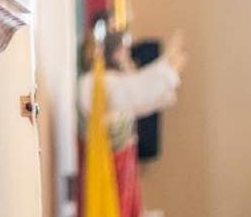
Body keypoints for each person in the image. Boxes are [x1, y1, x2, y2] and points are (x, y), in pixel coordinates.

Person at [77, 13, 186, 217]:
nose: (128, 56)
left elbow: (138, 96)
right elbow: (136, 92)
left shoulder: (105, 82)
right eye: (125, 51)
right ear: (116, 52)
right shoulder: (95, 83)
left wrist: (168, 67)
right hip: (107, 172)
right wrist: (169, 68)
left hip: (120, 167)